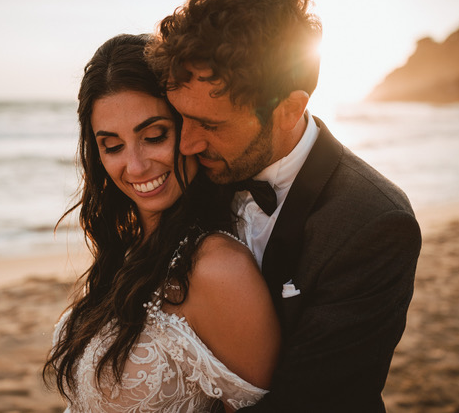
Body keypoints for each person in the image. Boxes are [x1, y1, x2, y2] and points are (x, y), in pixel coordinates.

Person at [146, 0, 422, 411]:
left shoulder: (375, 222)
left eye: (210, 125)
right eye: (179, 116)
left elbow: (313, 400)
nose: (185, 144)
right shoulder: (187, 175)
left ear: (290, 109)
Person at [43, 33, 281, 412]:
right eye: (113, 146)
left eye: (154, 135)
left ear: (189, 127)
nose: (135, 166)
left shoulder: (220, 268)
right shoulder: (130, 248)